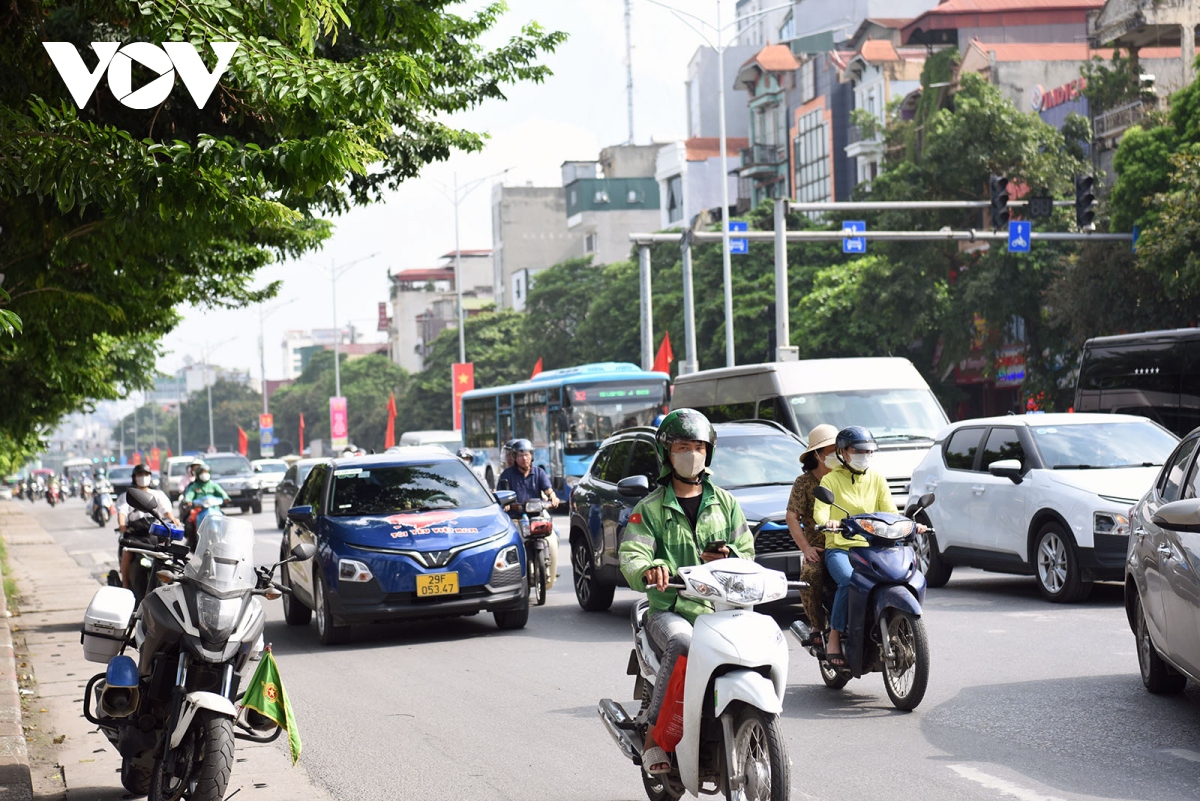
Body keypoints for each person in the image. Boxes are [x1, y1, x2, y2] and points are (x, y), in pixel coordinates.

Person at [617, 409, 755, 776]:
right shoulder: (649, 508)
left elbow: (748, 550)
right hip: (670, 609)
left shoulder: (725, 503)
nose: (692, 454)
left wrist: (729, 555)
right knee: (684, 643)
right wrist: (650, 568)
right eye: (682, 446)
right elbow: (633, 554)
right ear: (667, 453)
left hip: (722, 609)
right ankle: (655, 741)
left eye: (698, 447)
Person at [812, 426, 924, 668]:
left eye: (869, 451)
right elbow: (820, 512)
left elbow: (890, 514)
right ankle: (834, 636)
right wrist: (828, 522)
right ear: (842, 452)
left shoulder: (877, 479)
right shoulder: (830, 480)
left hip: (874, 547)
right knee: (848, 580)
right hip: (841, 548)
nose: (865, 455)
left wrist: (911, 526)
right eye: (859, 450)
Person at [784, 423, 838, 646]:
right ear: (817, 455)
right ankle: (817, 624)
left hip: (849, 544)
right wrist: (806, 548)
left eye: (839, 449)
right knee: (810, 574)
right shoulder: (804, 483)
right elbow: (791, 517)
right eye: (830, 451)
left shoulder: (846, 477)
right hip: (820, 548)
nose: (837, 455)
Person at [498, 439, 561, 587]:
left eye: (526, 455)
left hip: (537, 516)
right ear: (514, 457)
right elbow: (501, 494)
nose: (524, 458)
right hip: (516, 518)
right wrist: (505, 505)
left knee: (554, 536)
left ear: (531, 456)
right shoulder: (507, 475)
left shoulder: (539, 472)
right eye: (520, 455)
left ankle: (550, 572)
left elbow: (548, 489)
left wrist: (553, 497)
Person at [116, 464, 179, 589]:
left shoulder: (158, 494)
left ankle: (174, 583)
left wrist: (173, 519)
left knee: (170, 554)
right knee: (126, 552)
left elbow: (166, 511)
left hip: (155, 533)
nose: (143, 477)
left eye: (146, 474)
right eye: (140, 475)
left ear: (150, 477)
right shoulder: (127, 496)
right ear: (134, 477)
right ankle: (125, 583)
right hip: (136, 534)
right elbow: (122, 512)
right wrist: (122, 525)